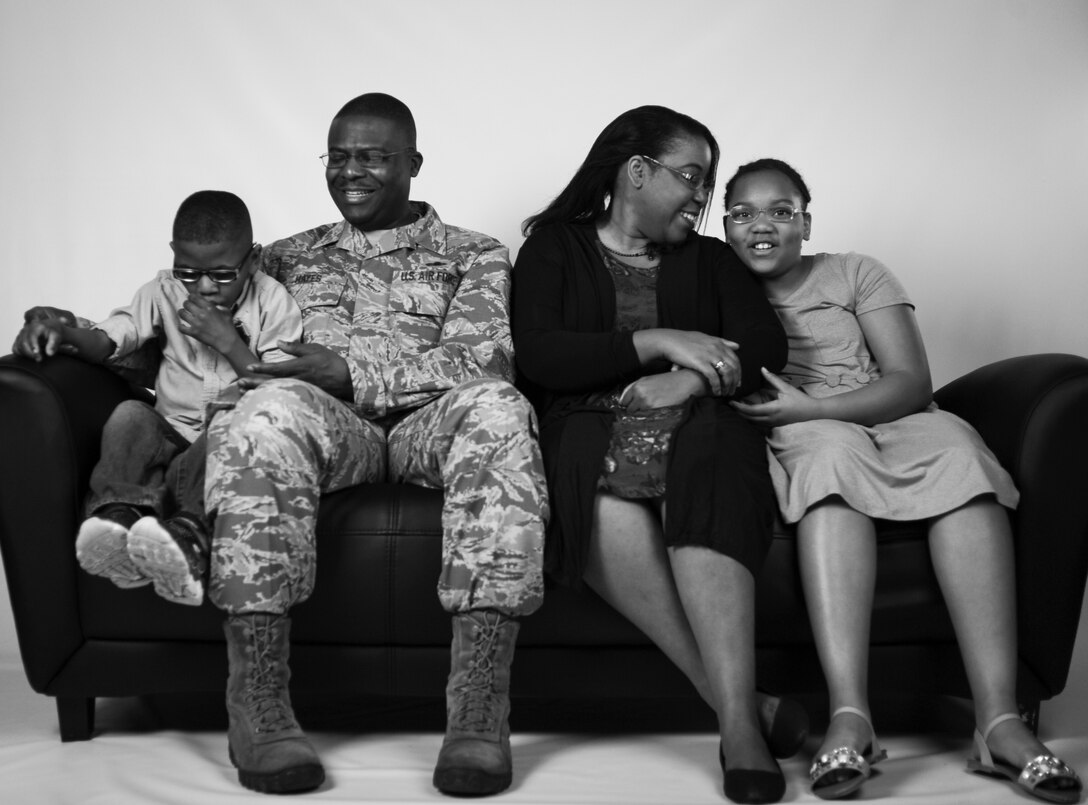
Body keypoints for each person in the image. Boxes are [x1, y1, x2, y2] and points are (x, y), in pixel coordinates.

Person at [189, 93, 546, 796]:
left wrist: (352, 370)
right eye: (339, 157)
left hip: (425, 429)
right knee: (265, 411)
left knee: (501, 407)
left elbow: (481, 360)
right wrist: (92, 334)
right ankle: (258, 701)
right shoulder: (286, 255)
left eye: (373, 158)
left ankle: (477, 707)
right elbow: (192, 307)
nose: (351, 171)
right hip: (326, 430)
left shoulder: (474, 253)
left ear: (412, 163)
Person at [725, 157, 1083, 803]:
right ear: (724, 225)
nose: (763, 225)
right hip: (803, 430)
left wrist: (820, 404)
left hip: (890, 411)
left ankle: (998, 720)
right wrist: (804, 414)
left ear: (805, 220)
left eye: (781, 210)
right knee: (828, 463)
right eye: (744, 212)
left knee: (960, 458)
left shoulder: (855, 270)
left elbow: (910, 381)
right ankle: (850, 715)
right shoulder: (713, 284)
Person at [512, 106, 796, 805]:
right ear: (638, 172)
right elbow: (542, 354)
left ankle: (739, 726)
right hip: (585, 425)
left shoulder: (710, 259)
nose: (704, 198)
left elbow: (764, 346)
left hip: (699, 422)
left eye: (707, 182)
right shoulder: (553, 247)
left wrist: (692, 377)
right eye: (692, 178)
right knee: (590, 471)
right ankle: (739, 713)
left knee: (713, 452)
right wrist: (658, 341)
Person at [12, 190, 303, 607]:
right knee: (131, 414)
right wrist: (66, 333)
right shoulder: (162, 291)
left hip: (225, 438)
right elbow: (113, 337)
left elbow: (278, 391)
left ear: (252, 260)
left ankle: (186, 537)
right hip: (171, 432)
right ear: (173, 256)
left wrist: (228, 342)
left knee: (226, 431)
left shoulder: (273, 302)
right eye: (188, 272)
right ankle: (118, 517)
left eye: (222, 275)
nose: (204, 287)